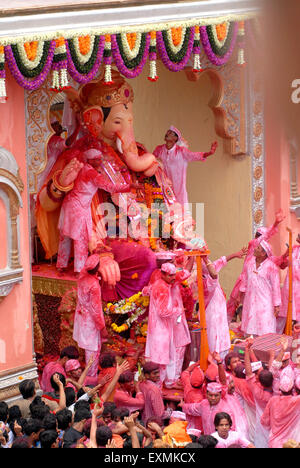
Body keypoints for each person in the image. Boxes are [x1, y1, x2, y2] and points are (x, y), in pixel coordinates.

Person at [56, 146, 131, 273]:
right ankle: (79, 270)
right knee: (81, 238)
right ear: (90, 160)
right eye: (97, 160)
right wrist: (129, 186)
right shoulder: (91, 172)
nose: (100, 161)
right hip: (78, 207)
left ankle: (61, 265)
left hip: (69, 204)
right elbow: (109, 187)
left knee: (65, 236)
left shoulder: (82, 168)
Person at [227, 210, 285, 321]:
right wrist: (276, 223)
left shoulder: (265, 252)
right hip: (244, 284)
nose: (257, 238)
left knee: (252, 313)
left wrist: (285, 255)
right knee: (233, 308)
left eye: (259, 236)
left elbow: (274, 261)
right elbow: (262, 239)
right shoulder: (253, 244)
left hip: (257, 289)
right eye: (257, 236)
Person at [144, 262, 191, 388]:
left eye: (173, 275)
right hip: (161, 330)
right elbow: (163, 312)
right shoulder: (162, 287)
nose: (173, 278)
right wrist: (178, 310)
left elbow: (145, 291)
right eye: (170, 275)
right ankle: (158, 387)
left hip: (159, 328)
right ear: (163, 274)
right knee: (162, 360)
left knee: (162, 359)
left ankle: (164, 384)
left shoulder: (159, 284)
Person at [153, 125, 217, 205]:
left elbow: (195, 155)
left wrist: (209, 153)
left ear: (175, 138)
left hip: (178, 192)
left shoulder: (181, 151)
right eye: (167, 132)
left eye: (170, 133)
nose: (167, 133)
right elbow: (151, 161)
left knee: (181, 214)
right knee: (158, 215)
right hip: (161, 189)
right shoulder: (159, 149)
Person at [202, 249, 247, 359]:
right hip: (212, 317)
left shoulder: (209, 269)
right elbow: (214, 274)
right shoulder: (205, 283)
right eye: (209, 264)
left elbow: (221, 261)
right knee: (215, 344)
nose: (212, 264)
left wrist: (235, 254)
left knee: (224, 341)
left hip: (220, 316)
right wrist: (204, 258)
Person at [73, 254, 106, 377]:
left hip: (81, 315)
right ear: (97, 268)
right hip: (90, 320)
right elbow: (96, 310)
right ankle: (91, 377)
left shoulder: (82, 276)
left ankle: (89, 375)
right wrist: (102, 327)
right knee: (92, 349)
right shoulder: (93, 285)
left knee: (88, 347)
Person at [240, 240, 282, 336]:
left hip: (265, 303)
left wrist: (277, 305)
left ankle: (264, 349)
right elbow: (244, 279)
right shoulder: (249, 263)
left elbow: (276, 287)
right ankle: (251, 348)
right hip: (250, 300)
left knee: (264, 328)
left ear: (263, 253)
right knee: (250, 326)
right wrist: (240, 295)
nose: (254, 249)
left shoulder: (271, 267)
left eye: (258, 248)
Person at [244, 340, 273, 448]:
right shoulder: (277, 387)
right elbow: (272, 369)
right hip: (275, 426)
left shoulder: (257, 391)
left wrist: (247, 349)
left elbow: (248, 372)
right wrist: (272, 356)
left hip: (261, 427)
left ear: (259, 380)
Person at [261, 373, 300, 448]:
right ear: (293, 389)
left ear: (279, 389)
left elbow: (264, 421)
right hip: (292, 444)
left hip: (275, 443)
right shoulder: (297, 401)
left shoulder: (272, 401)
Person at [277, 232, 300, 333]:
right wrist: (286, 254)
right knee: (282, 317)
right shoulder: (293, 249)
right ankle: (273, 339)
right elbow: (281, 265)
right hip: (288, 289)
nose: (297, 236)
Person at [180, 361, 205, 431]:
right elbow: (197, 410)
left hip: (188, 419)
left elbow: (185, 372)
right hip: (199, 423)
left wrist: (196, 364)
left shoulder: (187, 383)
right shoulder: (202, 393)